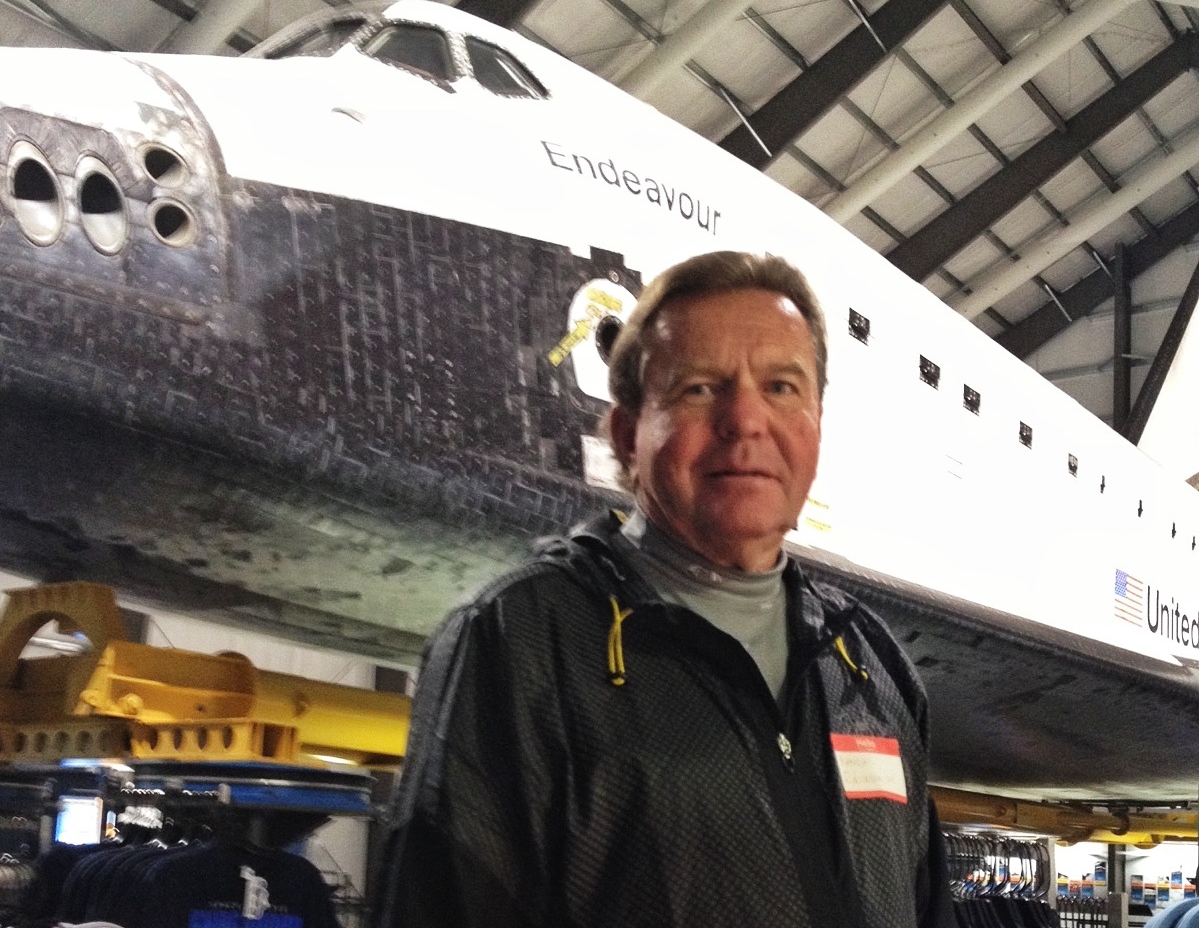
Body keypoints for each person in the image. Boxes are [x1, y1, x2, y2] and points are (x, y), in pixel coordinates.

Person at [373, 250, 956, 928]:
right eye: (700, 388)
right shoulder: (523, 641)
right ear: (627, 435)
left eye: (781, 387)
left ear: (816, 427)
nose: (745, 420)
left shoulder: (867, 665)